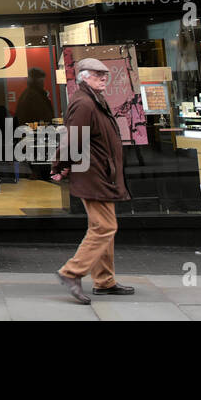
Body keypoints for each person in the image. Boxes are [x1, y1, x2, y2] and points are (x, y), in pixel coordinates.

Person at [51, 58, 134, 303]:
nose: (103, 78)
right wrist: (60, 165)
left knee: (102, 227)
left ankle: (104, 281)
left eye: (105, 75)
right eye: (97, 74)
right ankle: (71, 272)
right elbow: (73, 140)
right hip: (93, 175)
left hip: (101, 173)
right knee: (105, 227)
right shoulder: (84, 103)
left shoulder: (94, 100)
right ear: (83, 76)